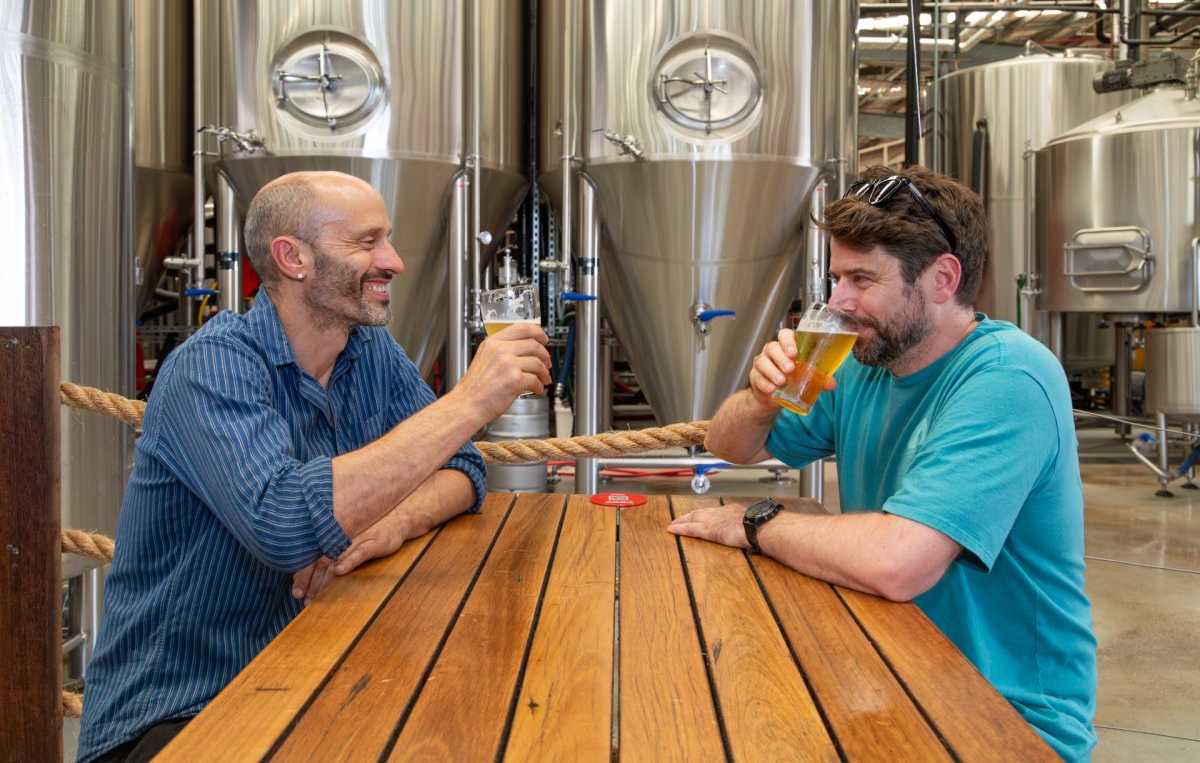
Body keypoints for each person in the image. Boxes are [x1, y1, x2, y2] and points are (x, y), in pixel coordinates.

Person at [77, 172, 552, 762]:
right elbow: (284, 526)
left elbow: (462, 468)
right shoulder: (210, 368)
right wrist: (469, 402)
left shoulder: (367, 350)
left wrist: (388, 523)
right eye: (366, 242)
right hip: (184, 710)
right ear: (293, 257)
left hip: (312, 674)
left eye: (389, 239)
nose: (395, 262)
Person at [669, 165, 1097, 762]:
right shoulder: (865, 364)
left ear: (943, 278)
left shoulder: (1008, 377)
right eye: (836, 277)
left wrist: (754, 522)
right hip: (891, 671)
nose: (838, 302)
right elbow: (731, 445)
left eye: (861, 279)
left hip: (1003, 716)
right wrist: (761, 397)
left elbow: (899, 563)